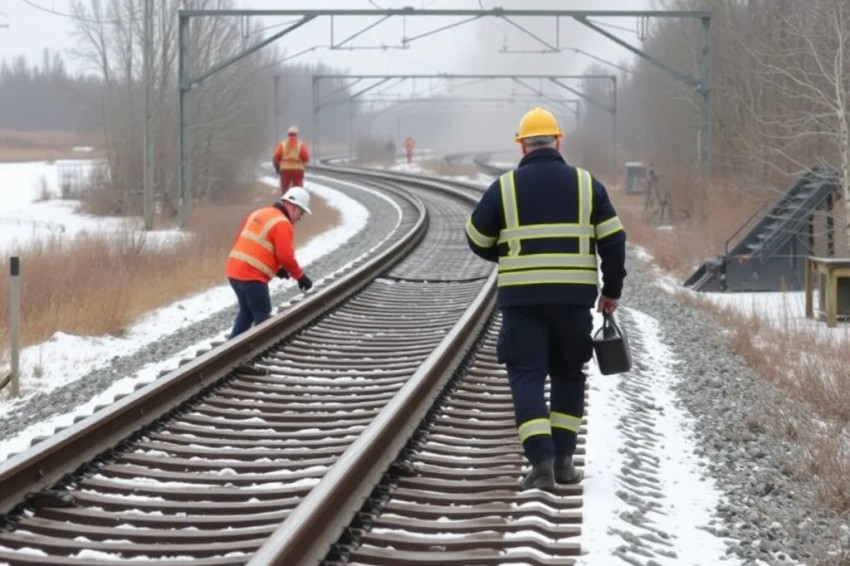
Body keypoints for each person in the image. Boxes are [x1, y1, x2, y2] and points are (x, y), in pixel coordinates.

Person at [464, 106, 627, 492]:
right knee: (569, 372)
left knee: (527, 376)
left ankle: (540, 462)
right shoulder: (588, 185)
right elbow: (614, 239)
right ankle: (564, 461)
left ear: (522, 146)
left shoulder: (504, 188)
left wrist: (508, 253)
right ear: (558, 141)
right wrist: (612, 290)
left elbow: (476, 238)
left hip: (523, 302)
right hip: (573, 301)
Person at [226, 186, 314, 338]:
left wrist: (277, 268)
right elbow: (286, 256)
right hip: (251, 275)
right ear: (292, 206)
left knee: (247, 313)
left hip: (234, 270)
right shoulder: (282, 223)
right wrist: (300, 277)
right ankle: (259, 351)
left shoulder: (259, 212)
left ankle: (230, 349)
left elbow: (243, 240)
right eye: (301, 212)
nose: (300, 218)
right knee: (263, 319)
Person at [273, 126, 310, 194]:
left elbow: (276, 157)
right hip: (298, 171)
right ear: (297, 134)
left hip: (285, 170)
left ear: (287, 134)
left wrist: (277, 169)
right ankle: (296, 203)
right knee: (298, 190)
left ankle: (285, 202)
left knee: (284, 190)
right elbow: (305, 157)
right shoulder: (301, 145)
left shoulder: (282, 145)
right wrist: (304, 165)